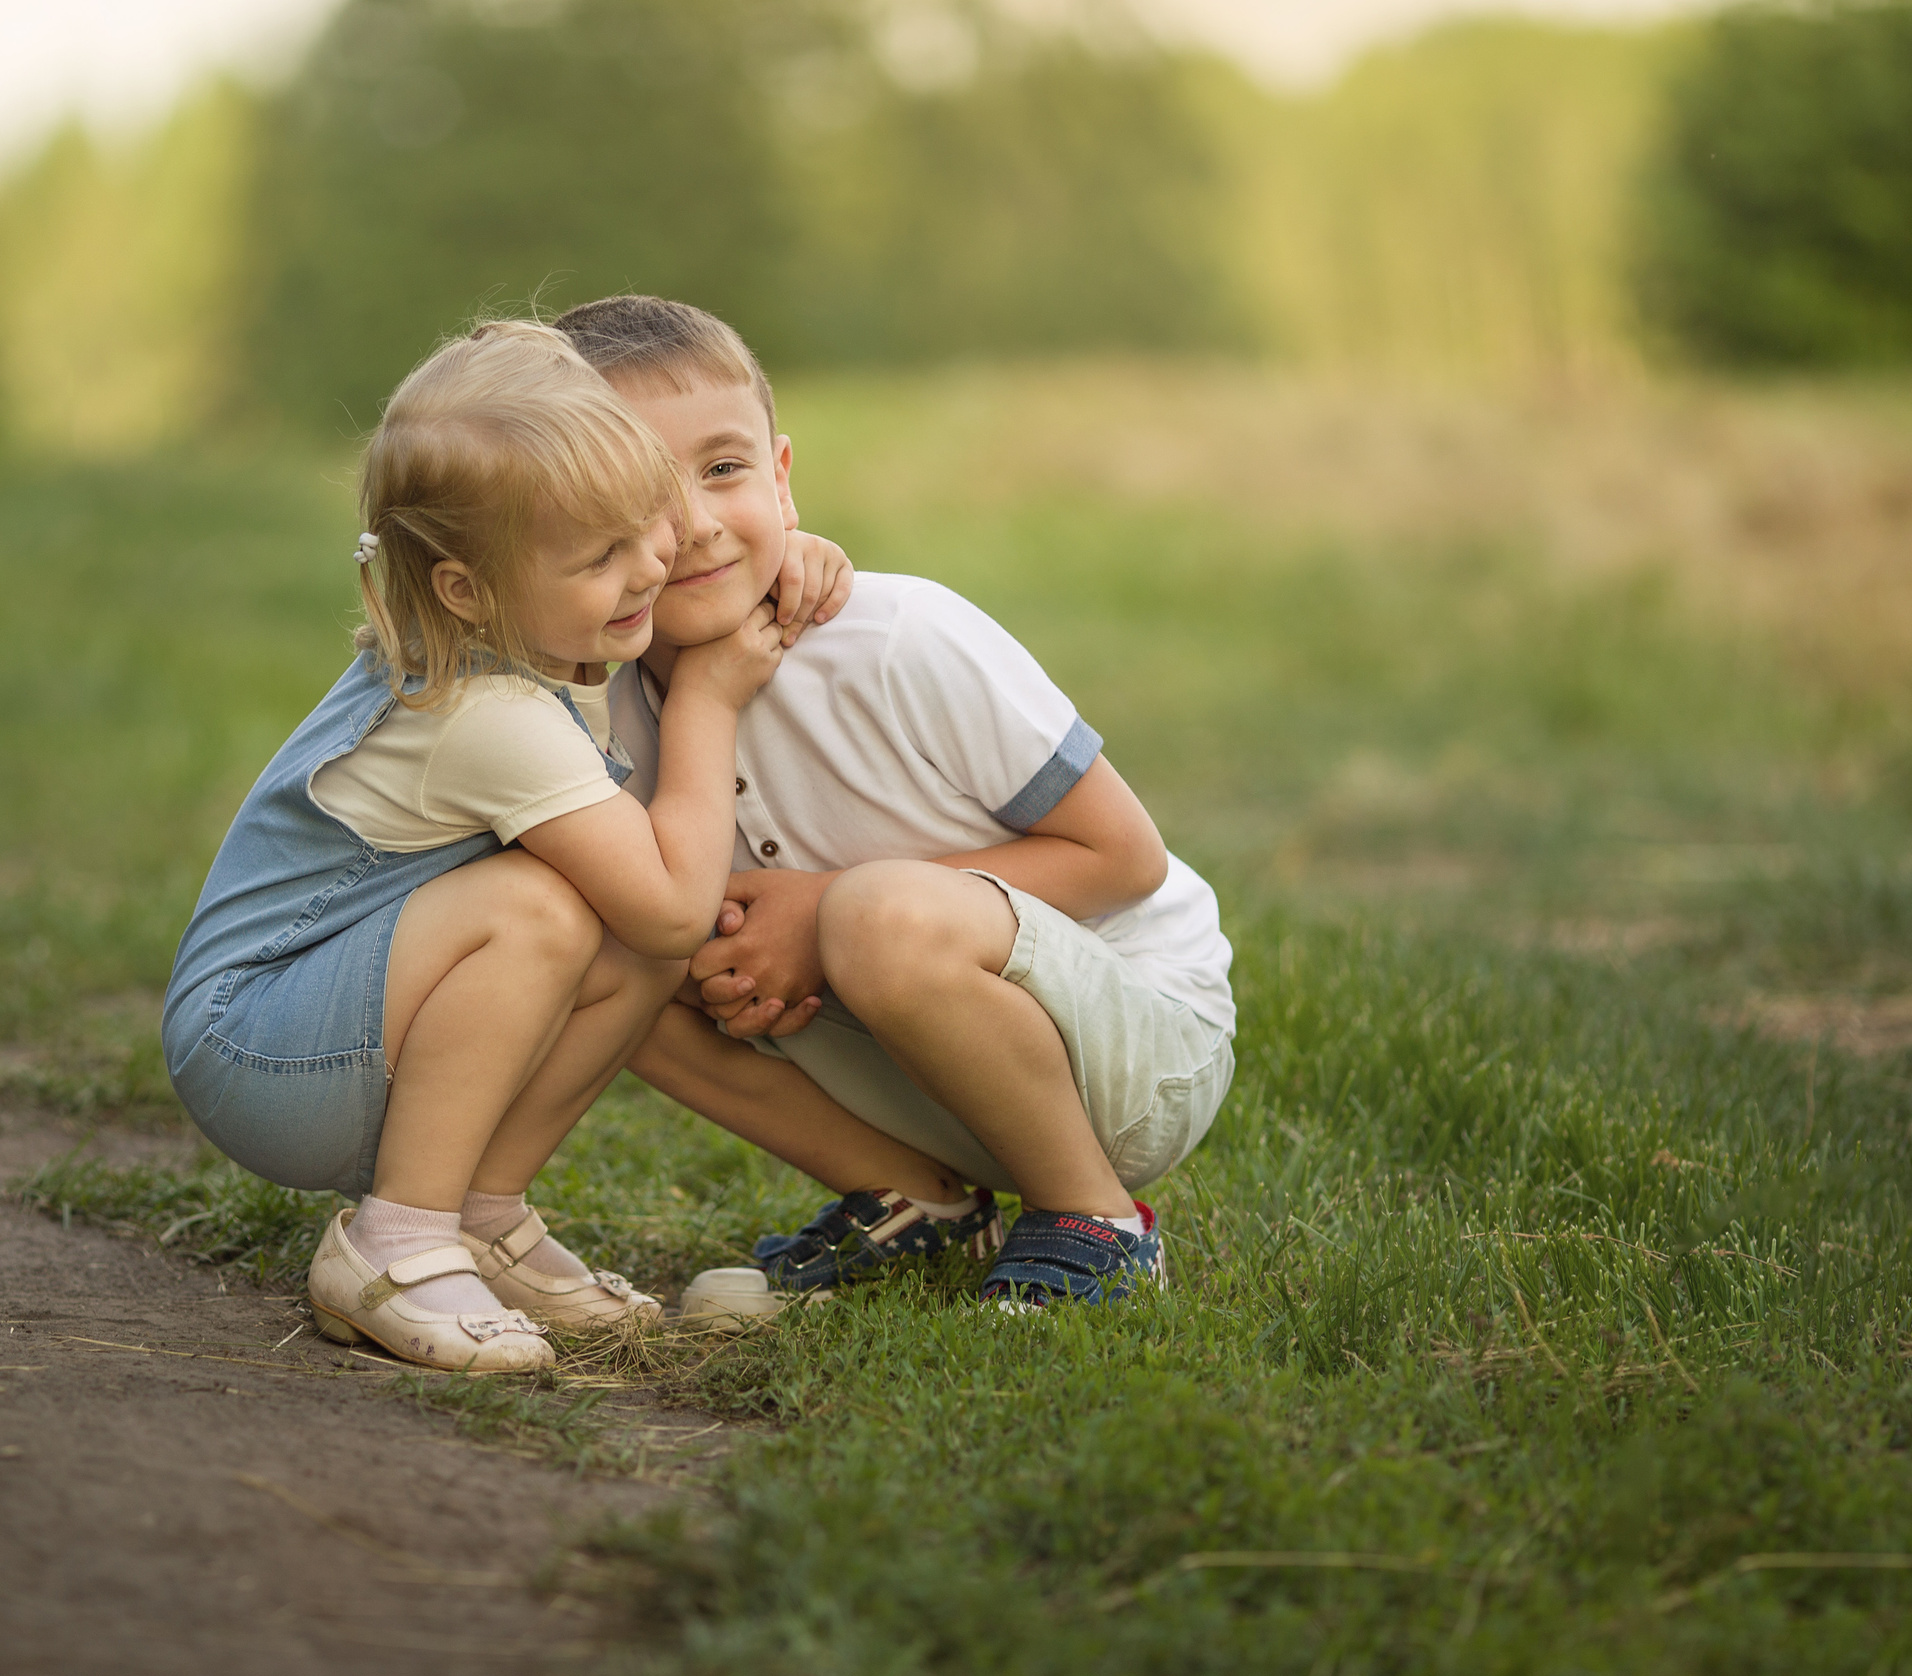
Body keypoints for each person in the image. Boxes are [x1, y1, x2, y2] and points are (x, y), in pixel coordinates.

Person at [160, 320, 847, 1371]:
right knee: (552, 909)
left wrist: (784, 554)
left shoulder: (541, 615)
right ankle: (395, 1240)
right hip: (261, 1053)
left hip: (334, 1032)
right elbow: (671, 901)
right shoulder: (484, 712)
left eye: (643, 525)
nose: (655, 566)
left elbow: (654, 931)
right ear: (464, 590)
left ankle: (479, 1217)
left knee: (627, 941)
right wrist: (708, 701)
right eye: (602, 554)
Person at [554, 295, 1236, 1309]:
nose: (695, 525)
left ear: (781, 479)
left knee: (878, 914)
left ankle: (1097, 1220)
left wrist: (822, 916)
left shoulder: (897, 636)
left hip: (1129, 1048)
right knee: (600, 943)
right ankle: (921, 1207)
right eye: (639, 493)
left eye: (725, 470)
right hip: (906, 1067)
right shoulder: (590, 708)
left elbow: (1122, 859)